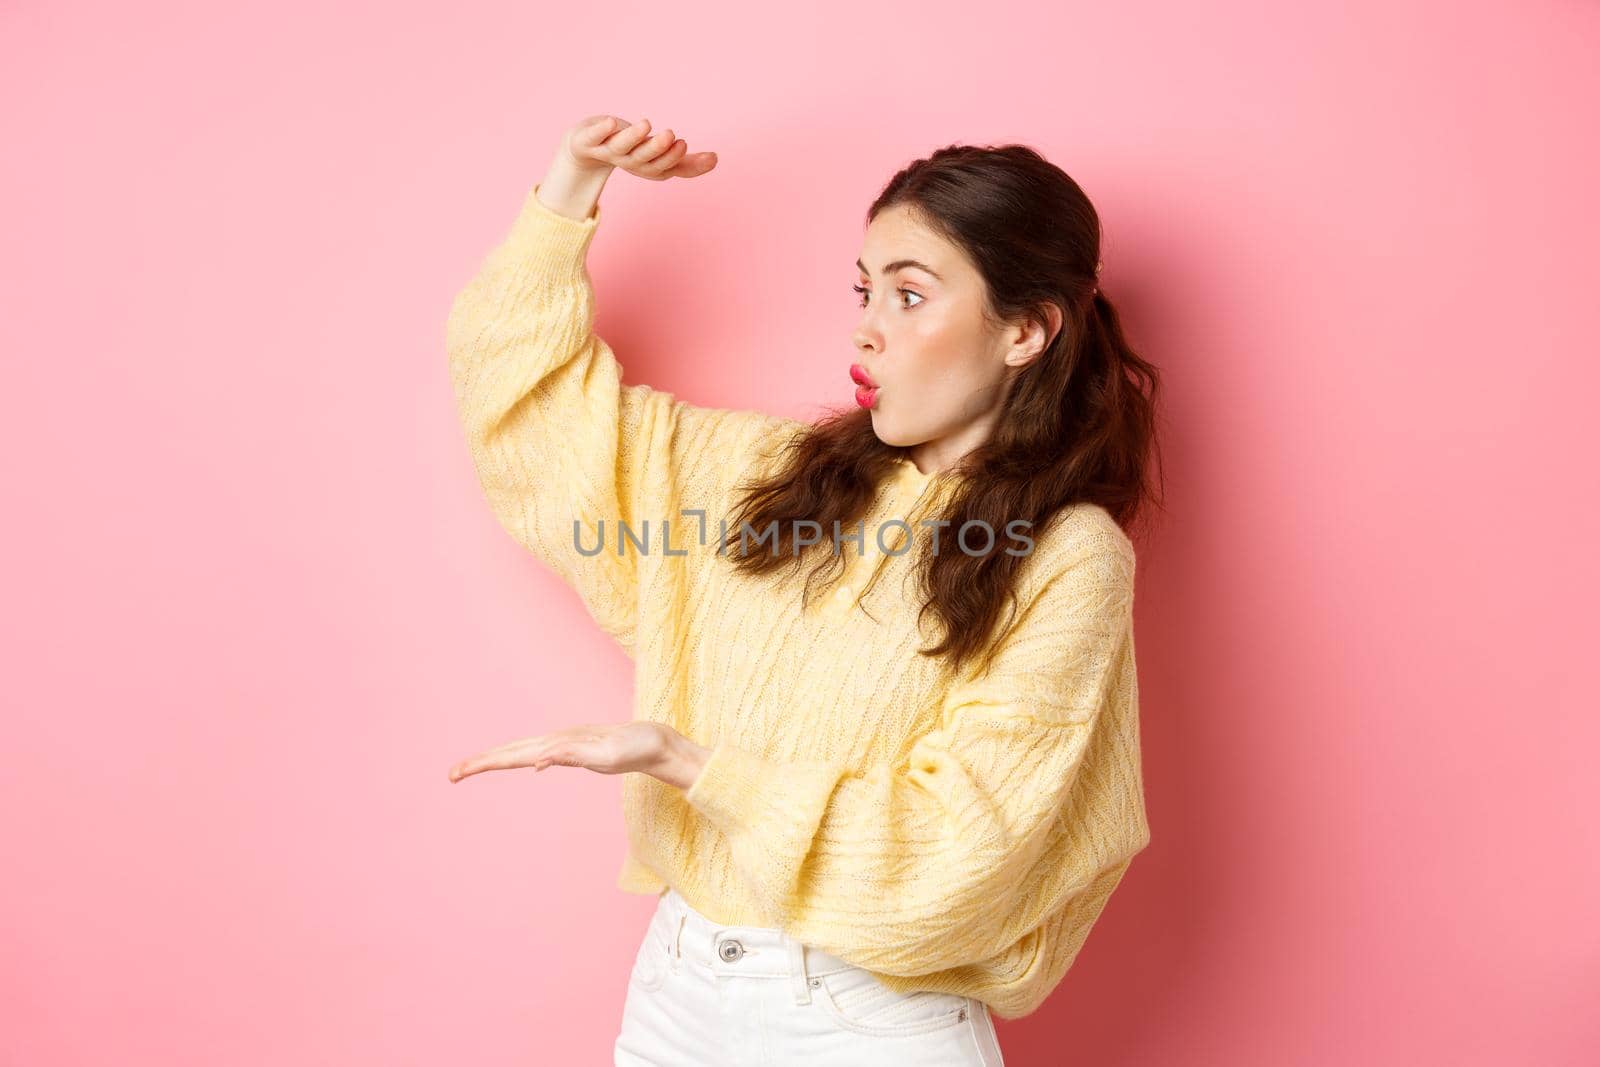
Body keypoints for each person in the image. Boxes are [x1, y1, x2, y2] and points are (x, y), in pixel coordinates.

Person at [444, 113, 1165, 1066]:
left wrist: (692, 764)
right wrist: (571, 186)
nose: (867, 325)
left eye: (911, 295)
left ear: (1026, 330)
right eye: (867, 290)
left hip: (869, 1021)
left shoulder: (1069, 559)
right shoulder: (766, 475)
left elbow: (962, 852)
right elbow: (534, 414)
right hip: (676, 994)